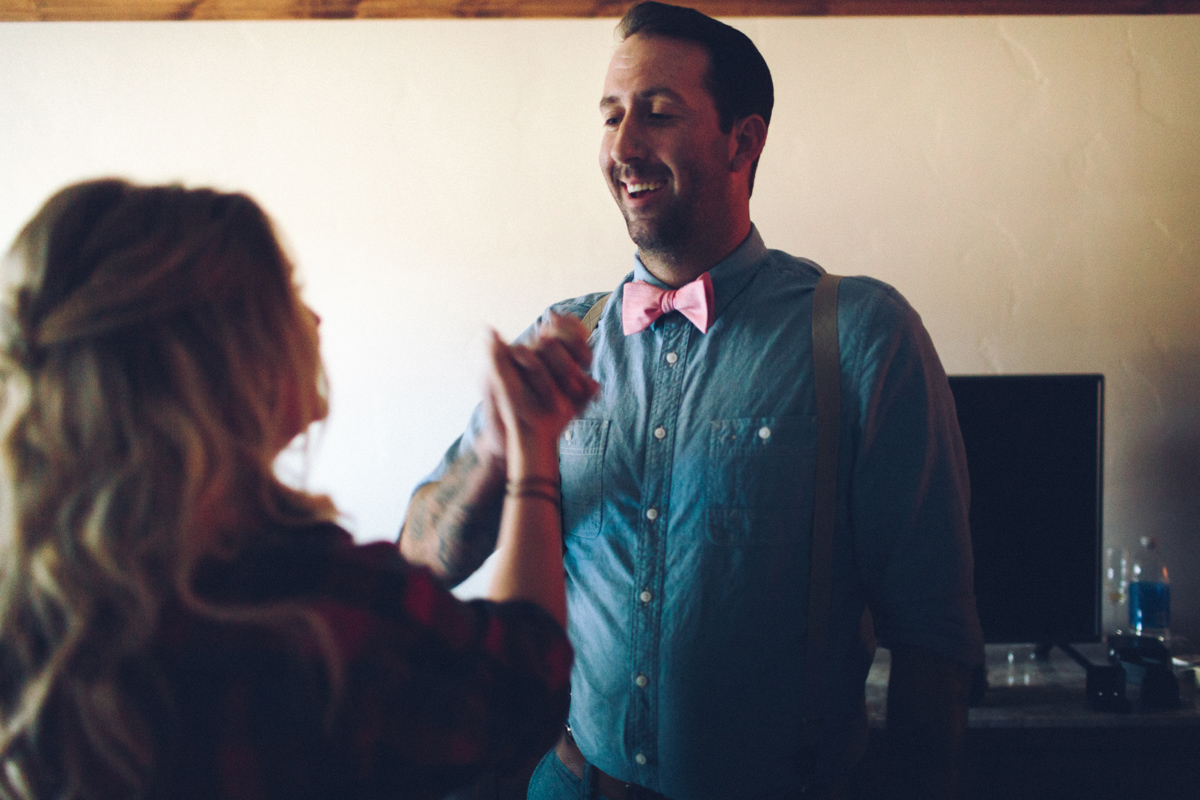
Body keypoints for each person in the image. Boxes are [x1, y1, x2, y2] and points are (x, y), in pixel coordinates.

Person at [401, 3, 985, 799]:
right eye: (611, 116)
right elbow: (420, 561)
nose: (623, 145)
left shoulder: (863, 337)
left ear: (744, 140)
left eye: (658, 113)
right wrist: (504, 449)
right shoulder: (561, 338)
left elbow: (933, 641)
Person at [0, 178, 595, 800]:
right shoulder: (312, 611)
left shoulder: (40, 599)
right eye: (288, 295)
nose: (312, 319)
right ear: (219, 360)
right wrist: (531, 450)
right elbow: (522, 688)